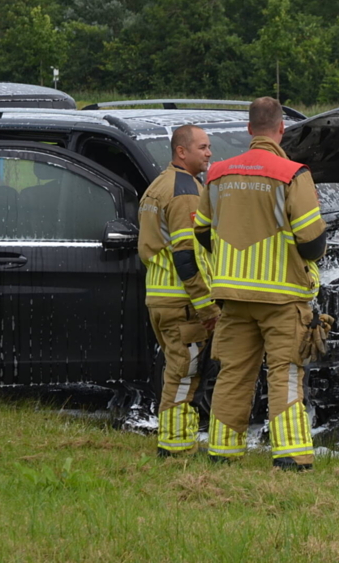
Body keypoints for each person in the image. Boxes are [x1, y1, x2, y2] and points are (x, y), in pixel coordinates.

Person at [195, 97, 327, 471]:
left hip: (232, 296)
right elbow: (312, 241)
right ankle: (290, 456)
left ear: (250, 130)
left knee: (233, 374)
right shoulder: (292, 173)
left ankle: (222, 453)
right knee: (284, 373)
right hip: (282, 297)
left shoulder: (217, 173)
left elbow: (201, 232)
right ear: (281, 128)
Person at [137, 124, 220, 458]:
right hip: (182, 301)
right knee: (184, 374)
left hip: (160, 298)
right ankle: (174, 448)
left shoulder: (157, 185)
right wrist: (207, 307)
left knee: (177, 370)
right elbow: (186, 256)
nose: (209, 153)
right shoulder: (185, 190)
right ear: (181, 151)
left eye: (209, 146)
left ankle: (175, 443)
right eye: (202, 147)